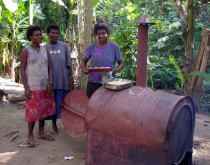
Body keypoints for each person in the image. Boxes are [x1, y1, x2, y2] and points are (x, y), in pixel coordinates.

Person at [20, 25, 55, 147]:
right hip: (32, 86)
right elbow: (22, 70)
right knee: (32, 112)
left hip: (45, 86)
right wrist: (26, 88)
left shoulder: (45, 50)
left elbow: (50, 66)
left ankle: (41, 132)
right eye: (36, 35)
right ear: (30, 37)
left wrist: (50, 82)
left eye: (40, 34)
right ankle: (30, 135)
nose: (39, 37)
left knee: (43, 110)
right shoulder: (26, 51)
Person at [81, 22, 124, 98]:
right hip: (93, 82)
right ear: (96, 35)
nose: (101, 35)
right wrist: (84, 70)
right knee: (92, 105)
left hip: (109, 82)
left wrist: (114, 70)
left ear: (108, 34)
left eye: (103, 33)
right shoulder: (91, 48)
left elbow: (121, 63)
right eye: (99, 34)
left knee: (106, 107)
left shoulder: (114, 47)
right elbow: (84, 61)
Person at [45, 24, 73, 134]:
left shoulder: (64, 46)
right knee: (52, 103)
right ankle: (54, 124)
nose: (55, 35)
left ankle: (67, 124)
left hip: (63, 80)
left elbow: (69, 64)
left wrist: (71, 80)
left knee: (63, 103)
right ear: (48, 34)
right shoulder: (44, 48)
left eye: (57, 33)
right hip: (51, 82)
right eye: (52, 33)